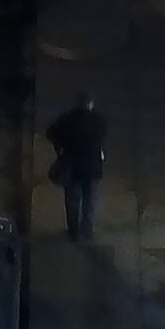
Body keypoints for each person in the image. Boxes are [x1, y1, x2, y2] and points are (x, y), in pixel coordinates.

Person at [43, 96, 109, 240]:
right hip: (93, 167)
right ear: (90, 105)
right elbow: (104, 132)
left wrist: (60, 146)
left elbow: (50, 133)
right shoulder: (98, 120)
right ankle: (88, 230)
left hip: (73, 166)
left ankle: (74, 232)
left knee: (73, 200)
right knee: (90, 200)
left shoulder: (67, 120)